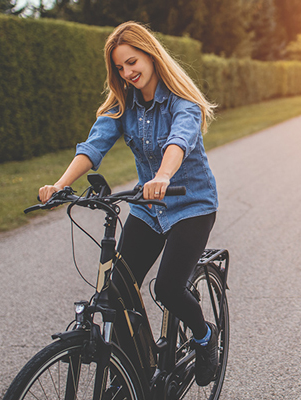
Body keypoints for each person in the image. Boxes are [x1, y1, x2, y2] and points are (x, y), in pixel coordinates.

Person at [38, 21, 219, 386]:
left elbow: (179, 141)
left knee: (167, 288)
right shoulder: (125, 106)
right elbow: (93, 146)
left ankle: (204, 336)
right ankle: (135, 371)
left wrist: (164, 176)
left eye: (132, 62)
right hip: (148, 208)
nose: (128, 72)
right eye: (120, 68)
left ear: (151, 55)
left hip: (191, 205)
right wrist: (59, 185)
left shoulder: (182, 103)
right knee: (116, 294)